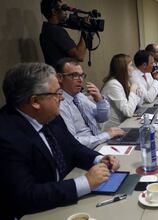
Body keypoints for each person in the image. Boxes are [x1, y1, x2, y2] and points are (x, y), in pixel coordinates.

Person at [0, 63, 120, 219]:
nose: (62, 98)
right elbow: (25, 195)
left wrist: (98, 159)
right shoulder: (6, 136)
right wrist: (85, 183)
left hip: (64, 200)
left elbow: (74, 148)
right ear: (35, 101)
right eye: (57, 93)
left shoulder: (50, 116)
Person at [56, 58, 124, 149]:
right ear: (60, 77)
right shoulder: (59, 104)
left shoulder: (80, 97)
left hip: (99, 143)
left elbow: (103, 118)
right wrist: (106, 135)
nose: (80, 80)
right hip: (85, 151)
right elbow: (73, 141)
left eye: (81, 75)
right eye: (74, 75)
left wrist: (100, 100)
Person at [40, 0, 86, 67]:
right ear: (54, 11)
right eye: (64, 8)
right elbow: (79, 55)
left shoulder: (46, 29)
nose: (66, 12)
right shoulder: (55, 31)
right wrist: (85, 31)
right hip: (62, 75)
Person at [101, 54, 143, 128]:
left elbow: (139, 104)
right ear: (123, 68)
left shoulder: (122, 81)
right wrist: (132, 92)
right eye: (130, 65)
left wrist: (136, 92)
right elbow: (128, 112)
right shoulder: (113, 84)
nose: (133, 68)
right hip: (112, 129)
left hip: (123, 124)